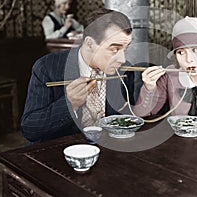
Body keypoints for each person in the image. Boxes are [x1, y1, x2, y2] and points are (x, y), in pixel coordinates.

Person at [21, 8, 135, 143]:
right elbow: (30, 130)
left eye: (125, 48)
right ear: (89, 43)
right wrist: (70, 104)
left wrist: (149, 91)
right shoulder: (47, 67)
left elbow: (127, 118)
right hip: (59, 151)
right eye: (114, 49)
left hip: (108, 149)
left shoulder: (124, 70)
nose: (121, 59)